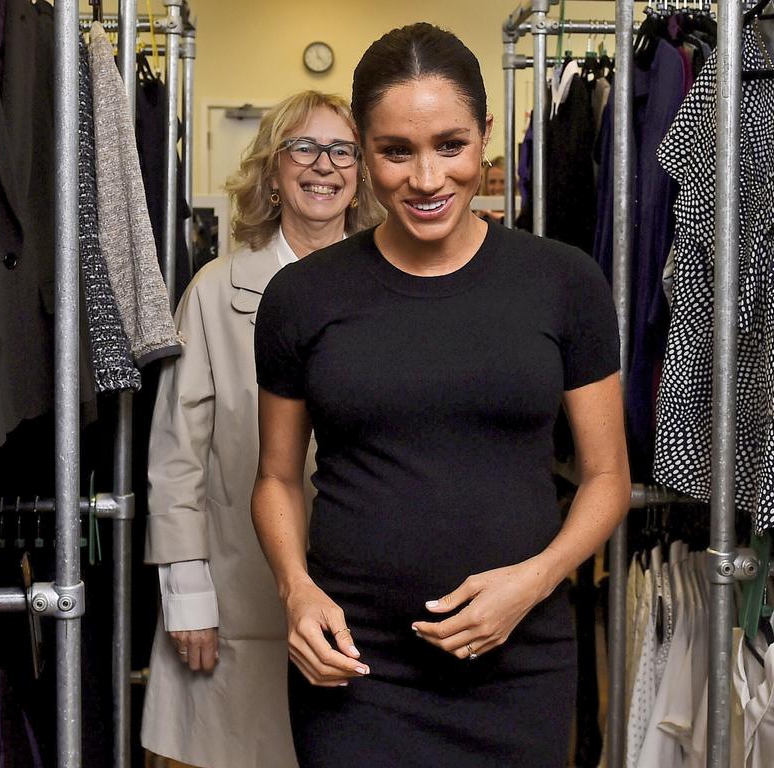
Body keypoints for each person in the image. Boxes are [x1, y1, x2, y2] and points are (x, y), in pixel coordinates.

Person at [252, 23, 630, 767]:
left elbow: (609, 479)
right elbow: (275, 477)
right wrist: (296, 590)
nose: (426, 180)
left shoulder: (565, 282)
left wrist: (532, 583)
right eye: (397, 152)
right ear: (363, 148)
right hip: (357, 666)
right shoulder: (301, 296)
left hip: (520, 657)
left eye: (450, 146)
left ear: (485, 136)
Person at [140, 90, 384, 768]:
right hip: (240, 598)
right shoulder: (217, 291)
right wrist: (185, 589)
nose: (323, 166)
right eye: (302, 148)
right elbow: (177, 455)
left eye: (342, 150)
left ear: (361, 173)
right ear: (273, 173)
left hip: (367, 595)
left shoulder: (393, 291)